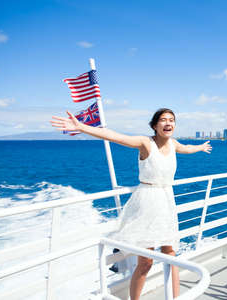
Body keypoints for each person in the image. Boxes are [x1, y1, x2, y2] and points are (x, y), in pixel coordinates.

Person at [50, 108, 212, 300]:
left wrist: (200, 147)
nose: (168, 123)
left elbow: (186, 148)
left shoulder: (173, 144)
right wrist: (82, 127)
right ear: (154, 125)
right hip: (148, 202)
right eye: (163, 120)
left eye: (172, 120)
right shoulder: (146, 143)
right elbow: (115, 137)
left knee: (171, 255)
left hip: (167, 201)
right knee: (146, 262)